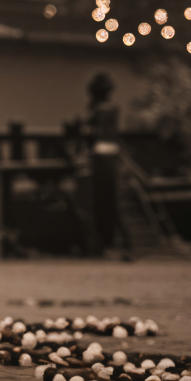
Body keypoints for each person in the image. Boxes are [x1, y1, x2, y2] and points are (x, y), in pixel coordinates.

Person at [86, 73, 123, 258]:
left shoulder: (97, 110)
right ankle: (110, 240)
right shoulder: (113, 109)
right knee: (110, 199)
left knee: (101, 201)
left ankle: (103, 241)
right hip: (112, 152)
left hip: (100, 154)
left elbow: (93, 132)